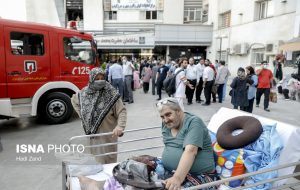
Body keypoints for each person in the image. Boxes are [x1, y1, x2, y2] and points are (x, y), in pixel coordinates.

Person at [156, 97, 217, 189]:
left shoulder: (193, 122)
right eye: (162, 117)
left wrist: (177, 178)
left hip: (199, 175)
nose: (165, 120)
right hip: (171, 171)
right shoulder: (166, 124)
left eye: (168, 115)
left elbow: (191, 151)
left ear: (179, 111)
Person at [71, 68, 126, 164]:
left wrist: (120, 126)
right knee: (96, 164)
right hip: (93, 138)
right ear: (91, 79)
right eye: (97, 78)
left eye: (102, 78)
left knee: (109, 164)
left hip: (108, 136)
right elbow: (74, 100)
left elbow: (122, 111)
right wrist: (82, 115)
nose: (100, 81)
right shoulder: (83, 93)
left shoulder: (111, 93)